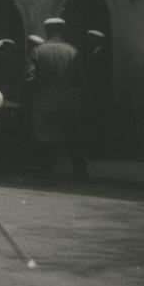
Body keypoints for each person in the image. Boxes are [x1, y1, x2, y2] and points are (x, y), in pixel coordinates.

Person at [26, 16, 88, 181]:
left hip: (45, 100)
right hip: (69, 99)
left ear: (47, 31)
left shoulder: (38, 51)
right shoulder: (72, 51)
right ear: (62, 30)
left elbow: (30, 78)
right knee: (73, 137)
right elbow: (82, 80)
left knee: (47, 138)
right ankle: (80, 176)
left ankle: (47, 175)